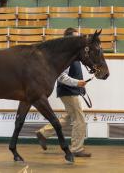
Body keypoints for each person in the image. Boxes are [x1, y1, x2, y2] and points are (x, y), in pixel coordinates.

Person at [35, 27, 91, 157]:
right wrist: (77, 83)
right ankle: (77, 149)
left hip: (70, 90)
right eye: (76, 37)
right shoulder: (67, 56)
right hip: (68, 90)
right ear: (69, 38)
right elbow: (61, 77)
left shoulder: (73, 55)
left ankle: (43, 133)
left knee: (69, 116)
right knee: (79, 119)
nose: (79, 40)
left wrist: (80, 85)